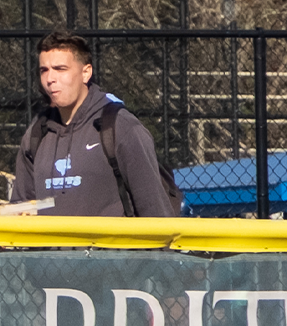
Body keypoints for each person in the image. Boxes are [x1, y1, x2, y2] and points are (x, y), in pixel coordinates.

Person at [10, 28, 177, 218]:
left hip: (110, 248)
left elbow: (156, 213)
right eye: (44, 70)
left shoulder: (120, 127)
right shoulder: (36, 134)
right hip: (48, 249)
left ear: (86, 72)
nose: (50, 79)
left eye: (60, 69)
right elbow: (21, 207)